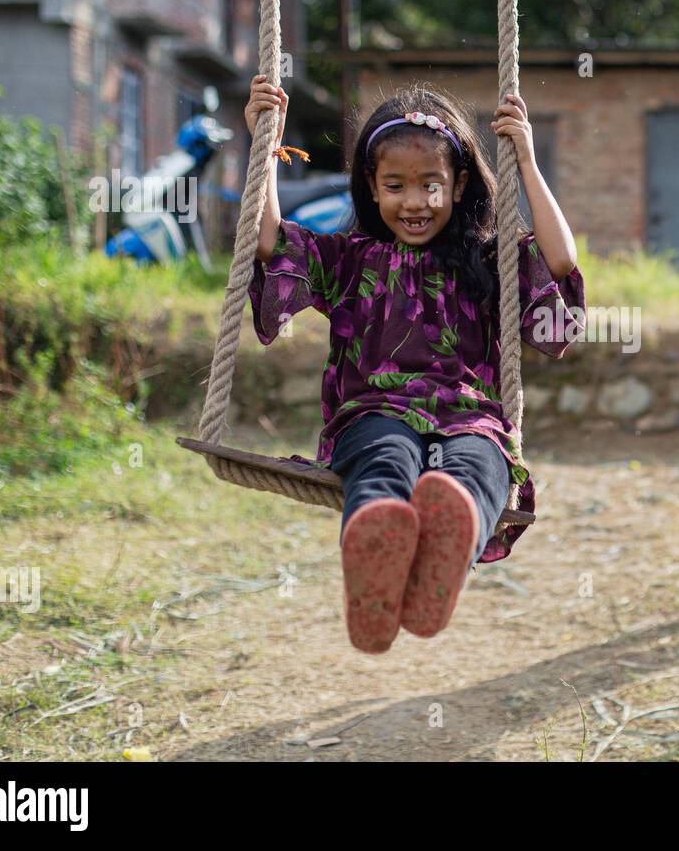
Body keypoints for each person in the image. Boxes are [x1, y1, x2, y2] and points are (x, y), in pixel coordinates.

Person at [244, 77, 585, 653]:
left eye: (432, 184)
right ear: (371, 190)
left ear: (458, 186)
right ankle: (378, 542)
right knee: (384, 458)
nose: (415, 201)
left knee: (476, 470)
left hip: (470, 418)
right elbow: (270, 241)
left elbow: (560, 261)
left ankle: (444, 558)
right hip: (374, 411)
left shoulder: (488, 260)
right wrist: (263, 148)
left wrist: (525, 157)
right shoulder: (350, 260)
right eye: (395, 185)